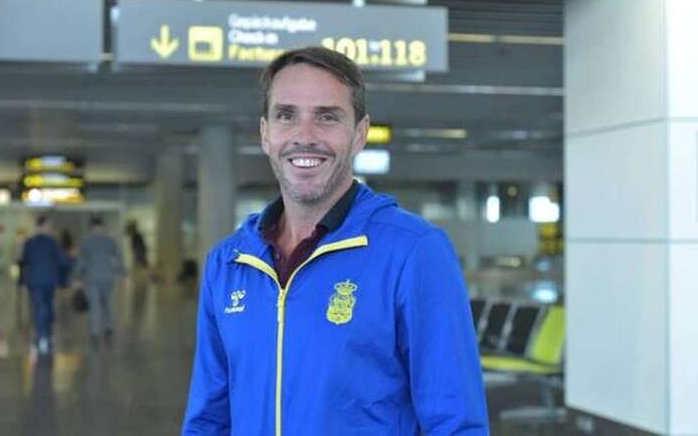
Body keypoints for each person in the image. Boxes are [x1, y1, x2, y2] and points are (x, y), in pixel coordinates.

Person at [182, 47, 488, 435]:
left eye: (327, 117)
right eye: (286, 115)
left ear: (359, 134)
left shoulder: (414, 252)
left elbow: (456, 422)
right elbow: (209, 419)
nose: (304, 136)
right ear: (265, 133)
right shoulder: (228, 263)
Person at [20, 215, 72, 355]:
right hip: (49, 281)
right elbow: (62, 261)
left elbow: (24, 260)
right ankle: (46, 334)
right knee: (48, 306)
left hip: (35, 280)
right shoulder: (53, 243)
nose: (50, 228)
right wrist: (71, 262)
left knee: (38, 307)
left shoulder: (29, 243)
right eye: (49, 225)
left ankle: (41, 335)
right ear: (43, 226)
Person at [76, 216, 125, 343]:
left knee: (94, 305)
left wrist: (77, 277)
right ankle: (108, 328)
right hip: (108, 277)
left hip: (92, 278)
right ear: (102, 227)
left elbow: (82, 261)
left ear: (91, 228)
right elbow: (118, 258)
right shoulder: (110, 241)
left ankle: (95, 332)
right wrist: (122, 273)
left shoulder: (86, 242)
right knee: (108, 304)